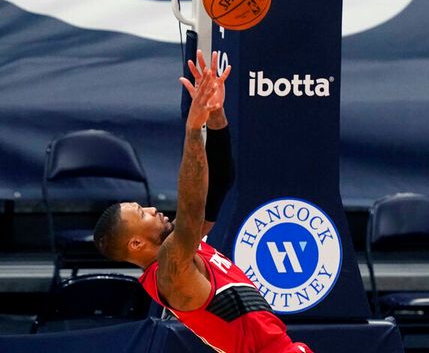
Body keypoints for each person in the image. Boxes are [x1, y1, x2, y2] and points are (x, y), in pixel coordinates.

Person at [93, 50, 312, 353]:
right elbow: (191, 209)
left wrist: (216, 115)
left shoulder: (185, 246)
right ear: (136, 244)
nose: (153, 209)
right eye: (141, 213)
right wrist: (194, 130)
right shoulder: (170, 272)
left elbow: (220, 182)